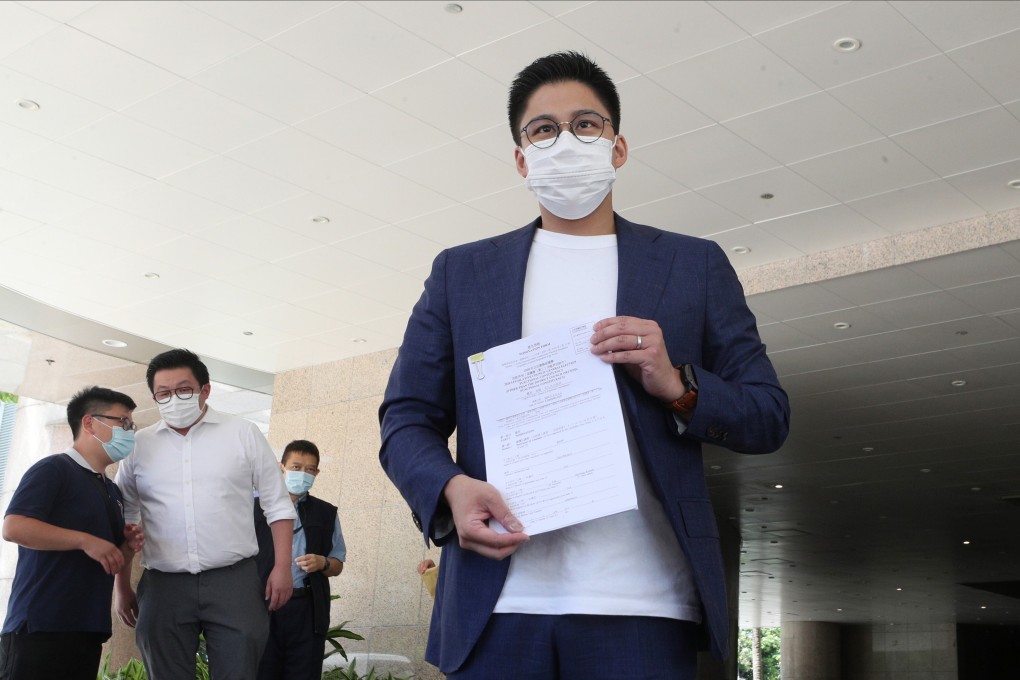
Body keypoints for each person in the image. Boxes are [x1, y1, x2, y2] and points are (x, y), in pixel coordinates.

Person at [378, 51, 790, 679]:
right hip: (497, 607)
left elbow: (768, 414)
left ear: (618, 148)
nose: (564, 140)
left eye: (586, 125)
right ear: (522, 158)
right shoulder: (464, 273)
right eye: (542, 129)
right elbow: (406, 418)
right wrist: (451, 490)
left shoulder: (692, 266)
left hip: (644, 604)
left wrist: (677, 387)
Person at [114, 349, 297, 680]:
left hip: (234, 580)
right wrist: (122, 585)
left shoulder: (242, 433)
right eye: (163, 394)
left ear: (205, 390)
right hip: (163, 584)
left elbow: (278, 504)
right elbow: (126, 518)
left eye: (183, 389)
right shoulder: (138, 446)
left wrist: (283, 567)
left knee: (238, 671)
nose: (174, 399)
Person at [0, 386, 143, 680]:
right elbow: (14, 526)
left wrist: (126, 547)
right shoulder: (53, 469)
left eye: (132, 425)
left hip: (86, 629)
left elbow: (108, 555)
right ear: (90, 423)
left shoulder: (111, 490)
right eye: (123, 423)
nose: (129, 432)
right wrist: (84, 540)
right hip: (40, 627)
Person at [254, 440, 346, 680]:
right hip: (262, 607)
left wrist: (323, 563)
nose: (302, 474)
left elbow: (338, 563)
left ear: (317, 473)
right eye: (296, 467)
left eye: (310, 469)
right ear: (281, 466)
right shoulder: (255, 508)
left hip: (306, 608)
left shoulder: (326, 513)